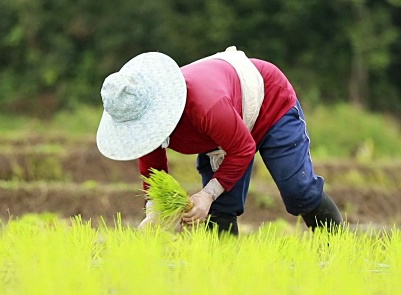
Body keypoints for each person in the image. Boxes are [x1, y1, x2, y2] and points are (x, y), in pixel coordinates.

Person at [96, 47, 342, 235]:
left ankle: (340, 250)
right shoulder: (148, 129)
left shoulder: (204, 106)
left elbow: (244, 148)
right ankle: (224, 279)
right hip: (225, 129)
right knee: (221, 210)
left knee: (298, 192)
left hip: (270, 103)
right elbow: (154, 171)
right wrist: (155, 213)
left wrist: (207, 194)